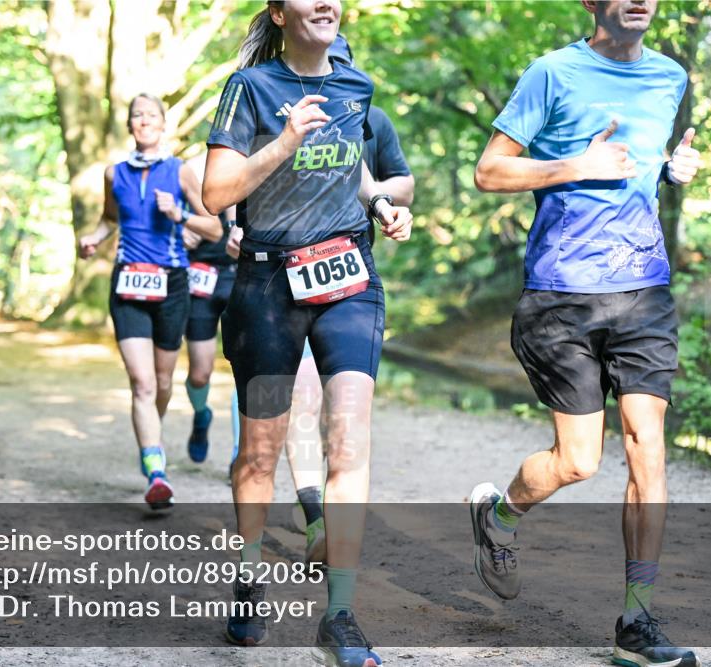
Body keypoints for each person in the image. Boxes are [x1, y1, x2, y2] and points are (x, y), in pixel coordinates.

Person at [467, 2, 703, 666]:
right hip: (560, 295)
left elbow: (640, 164)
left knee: (646, 445)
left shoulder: (670, 77)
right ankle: (498, 515)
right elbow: (489, 172)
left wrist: (668, 171)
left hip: (643, 289)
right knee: (577, 461)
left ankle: (639, 618)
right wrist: (575, 165)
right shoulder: (551, 73)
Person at [202, 2, 413, 664]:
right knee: (258, 457)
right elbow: (214, 193)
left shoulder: (355, 86)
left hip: (348, 277)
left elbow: (353, 171)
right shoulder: (249, 89)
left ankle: (341, 612)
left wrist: (381, 204)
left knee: (348, 440)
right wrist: (284, 140)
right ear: (279, 11)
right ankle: (248, 574)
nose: (326, 1)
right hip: (267, 286)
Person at [278, 32, 416, 568]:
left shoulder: (371, 122)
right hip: (287, 277)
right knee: (302, 401)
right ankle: (316, 519)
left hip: (349, 278)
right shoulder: (282, 112)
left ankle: (331, 503)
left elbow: (403, 184)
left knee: (345, 416)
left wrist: (374, 193)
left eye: (340, 63)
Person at [79, 94, 222, 511]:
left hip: (172, 285)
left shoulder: (180, 173)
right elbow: (110, 219)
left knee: (162, 383)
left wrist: (179, 215)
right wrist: (94, 238)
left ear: (163, 125)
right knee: (142, 383)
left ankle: (152, 439)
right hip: (128, 283)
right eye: (137, 115)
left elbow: (213, 228)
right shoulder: (113, 174)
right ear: (129, 126)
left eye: (151, 115)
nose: (144, 121)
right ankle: (155, 470)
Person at [179, 152, 238, 466]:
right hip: (201, 279)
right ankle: (201, 416)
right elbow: (167, 216)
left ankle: (239, 452)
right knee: (200, 374)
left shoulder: (263, 158)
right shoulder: (189, 168)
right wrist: (181, 233)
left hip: (243, 279)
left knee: (247, 371)